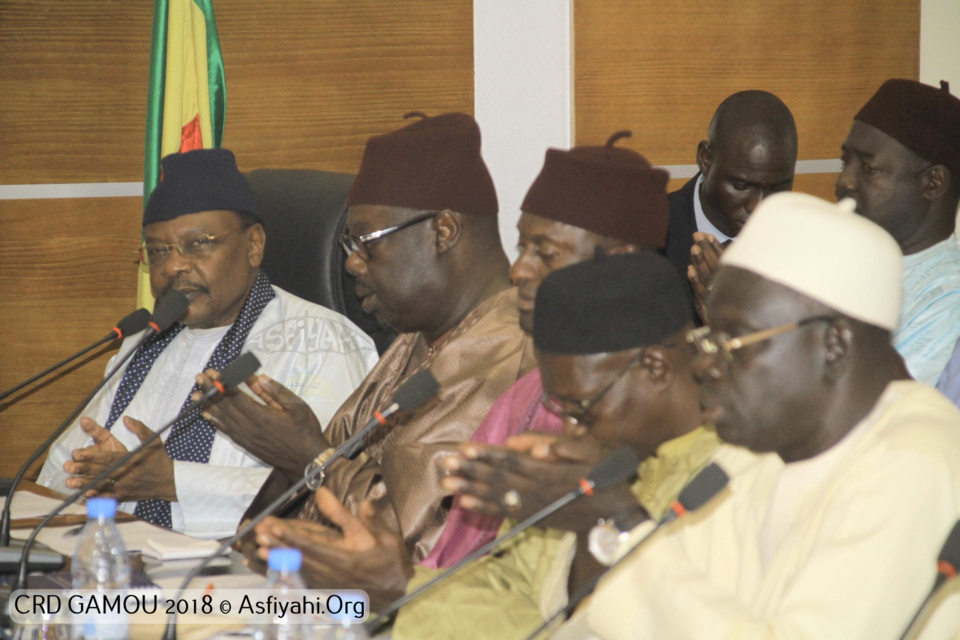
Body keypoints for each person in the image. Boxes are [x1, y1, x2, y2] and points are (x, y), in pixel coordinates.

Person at [558, 192, 960, 639]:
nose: (705, 365)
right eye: (709, 337)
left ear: (834, 345)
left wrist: (624, 522)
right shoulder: (755, 451)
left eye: (733, 340)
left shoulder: (916, 463)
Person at [198, 112, 535, 583]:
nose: (352, 264)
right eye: (347, 244)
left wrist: (307, 457)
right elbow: (302, 496)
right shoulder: (414, 341)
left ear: (444, 231)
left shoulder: (513, 357)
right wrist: (282, 454)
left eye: (366, 243)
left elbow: (420, 556)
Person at [38, 149, 377, 538]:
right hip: (117, 559)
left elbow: (330, 485)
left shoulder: (320, 342)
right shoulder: (143, 342)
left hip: (248, 568)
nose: (173, 266)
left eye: (198, 243)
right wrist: (91, 475)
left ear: (254, 245)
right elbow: (58, 473)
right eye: (158, 251)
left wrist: (172, 481)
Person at [386, 252, 720, 639]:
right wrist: (388, 589)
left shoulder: (738, 474)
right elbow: (502, 592)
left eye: (581, 409)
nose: (571, 431)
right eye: (560, 410)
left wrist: (608, 519)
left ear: (655, 368)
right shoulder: (588, 466)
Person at [421, 130, 670, 570]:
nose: (518, 270)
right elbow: (454, 564)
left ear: (621, 262)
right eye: (522, 247)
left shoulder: (662, 403)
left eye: (546, 253)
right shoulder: (526, 394)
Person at [837, 78, 960, 385]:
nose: (844, 181)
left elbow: (883, 406)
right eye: (845, 161)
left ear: (933, 183)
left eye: (869, 169)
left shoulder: (949, 301)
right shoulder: (840, 261)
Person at [663, 90, 797, 320]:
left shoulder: (807, 246)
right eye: (742, 185)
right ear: (706, 159)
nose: (758, 207)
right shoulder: (650, 238)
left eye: (777, 188)